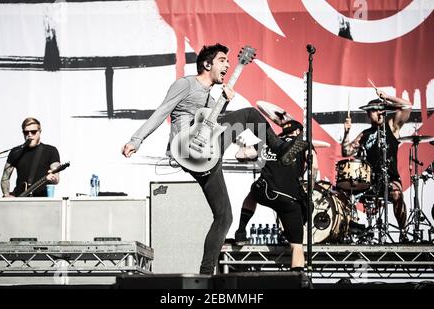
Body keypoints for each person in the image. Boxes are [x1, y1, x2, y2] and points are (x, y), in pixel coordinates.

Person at [122, 43, 307, 274]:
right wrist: (136, 140)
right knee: (249, 114)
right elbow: (162, 111)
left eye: (229, 61)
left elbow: (214, 121)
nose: (228, 65)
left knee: (224, 217)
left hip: (208, 156)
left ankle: (206, 274)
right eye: (222, 60)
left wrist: (226, 101)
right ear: (207, 64)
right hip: (188, 148)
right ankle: (280, 147)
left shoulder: (211, 98)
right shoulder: (186, 84)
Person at [234, 120, 318, 271]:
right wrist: (310, 190)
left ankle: (241, 230)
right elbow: (314, 165)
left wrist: (243, 147)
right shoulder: (303, 143)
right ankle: (297, 280)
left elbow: (241, 154)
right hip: (289, 199)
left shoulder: (270, 143)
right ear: (299, 132)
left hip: (267, 191)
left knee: (253, 192)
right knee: (297, 247)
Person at [341, 89, 412, 241]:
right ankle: (351, 232)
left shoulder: (392, 126)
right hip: (370, 180)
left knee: (397, 193)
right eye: (372, 112)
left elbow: (407, 106)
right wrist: (347, 133)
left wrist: (387, 97)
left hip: (390, 177)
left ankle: (403, 232)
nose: (375, 114)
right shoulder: (365, 134)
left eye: (377, 111)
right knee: (345, 194)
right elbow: (346, 152)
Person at [1, 117, 60, 197]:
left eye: (33, 132)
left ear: (40, 132)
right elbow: (5, 177)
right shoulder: (16, 151)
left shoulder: (51, 150)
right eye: (26, 132)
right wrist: (6, 195)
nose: (29, 135)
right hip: (20, 198)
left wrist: (53, 178)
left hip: (41, 200)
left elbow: (56, 179)